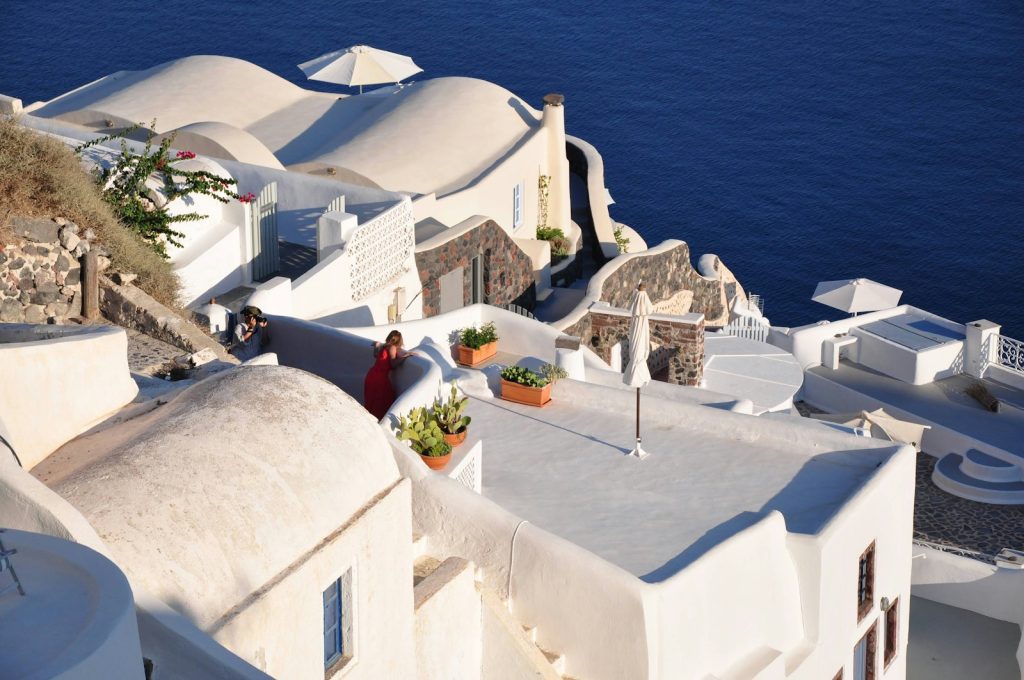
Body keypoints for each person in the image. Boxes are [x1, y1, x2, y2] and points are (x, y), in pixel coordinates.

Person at [363, 330, 414, 420]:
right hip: (380, 378)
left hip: (372, 374)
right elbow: (393, 364)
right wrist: (405, 357)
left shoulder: (384, 346)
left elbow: (376, 355)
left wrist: (376, 346)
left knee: (372, 401)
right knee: (382, 401)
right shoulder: (392, 348)